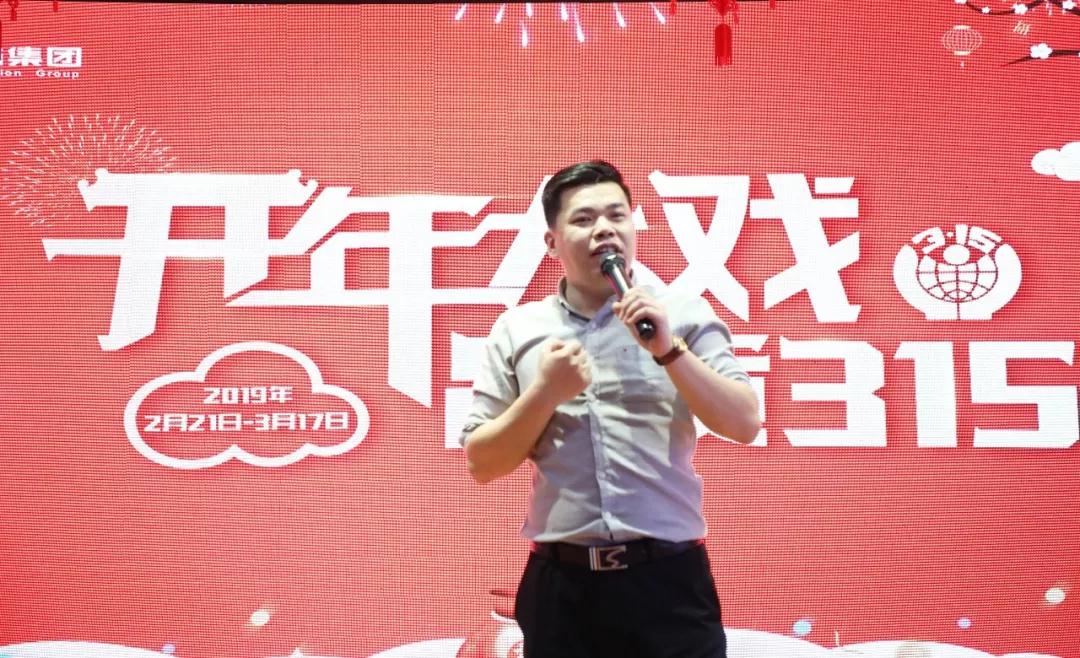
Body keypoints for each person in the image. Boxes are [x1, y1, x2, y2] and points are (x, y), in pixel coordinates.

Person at [460, 160, 760, 658]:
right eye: (583, 219)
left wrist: (669, 351)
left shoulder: (680, 314)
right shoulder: (518, 330)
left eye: (617, 215)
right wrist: (545, 393)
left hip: (668, 582)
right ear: (552, 242)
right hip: (563, 587)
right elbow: (482, 463)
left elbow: (744, 423)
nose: (604, 229)